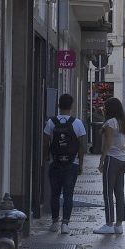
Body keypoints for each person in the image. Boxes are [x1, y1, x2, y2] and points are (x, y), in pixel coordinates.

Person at [43, 93, 87, 234]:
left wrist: (46, 156)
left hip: (55, 163)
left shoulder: (51, 122)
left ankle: (55, 222)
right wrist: (80, 163)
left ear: (58, 105)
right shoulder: (77, 123)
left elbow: (45, 141)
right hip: (71, 164)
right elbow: (82, 145)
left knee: (55, 194)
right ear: (71, 106)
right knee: (68, 195)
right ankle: (65, 224)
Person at [95, 97, 125, 235]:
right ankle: (119, 225)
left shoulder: (110, 122)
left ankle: (109, 224)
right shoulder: (123, 122)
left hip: (111, 159)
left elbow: (107, 143)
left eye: (105, 107)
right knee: (119, 192)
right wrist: (123, 149)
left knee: (107, 192)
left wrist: (102, 160)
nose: (104, 109)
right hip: (122, 160)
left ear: (110, 109)